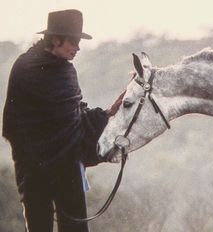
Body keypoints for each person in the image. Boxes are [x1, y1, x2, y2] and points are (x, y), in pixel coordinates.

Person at [2, 9, 123, 232]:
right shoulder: (24, 68)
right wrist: (39, 154)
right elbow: (15, 124)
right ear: (56, 39)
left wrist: (105, 114)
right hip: (33, 168)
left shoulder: (66, 72)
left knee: (75, 227)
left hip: (67, 167)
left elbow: (72, 117)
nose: (78, 48)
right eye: (74, 42)